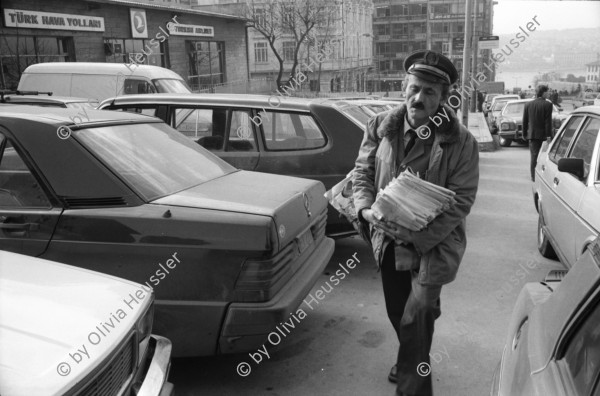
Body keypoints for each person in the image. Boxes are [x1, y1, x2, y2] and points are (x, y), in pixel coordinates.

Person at [352, 50, 479, 396]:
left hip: (432, 245)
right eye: (414, 88)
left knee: (419, 311)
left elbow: (462, 200)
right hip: (388, 240)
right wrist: (364, 210)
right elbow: (361, 174)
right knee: (400, 313)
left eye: (429, 93)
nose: (419, 98)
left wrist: (418, 236)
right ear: (404, 87)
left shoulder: (462, 141)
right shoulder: (379, 126)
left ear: (443, 99)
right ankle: (411, 355)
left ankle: (412, 385)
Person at [523, 84, 553, 182]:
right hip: (544, 136)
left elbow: (525, 121)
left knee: (534, 157)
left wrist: (524, 134)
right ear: (543, 93)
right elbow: (548, 122)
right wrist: (549, 136)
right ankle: (544, 177)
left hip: (532, 135)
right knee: (546, 157)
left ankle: (533, 177)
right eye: (547, 91)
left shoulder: (528, 104)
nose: (549, 93)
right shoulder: (548, 104)